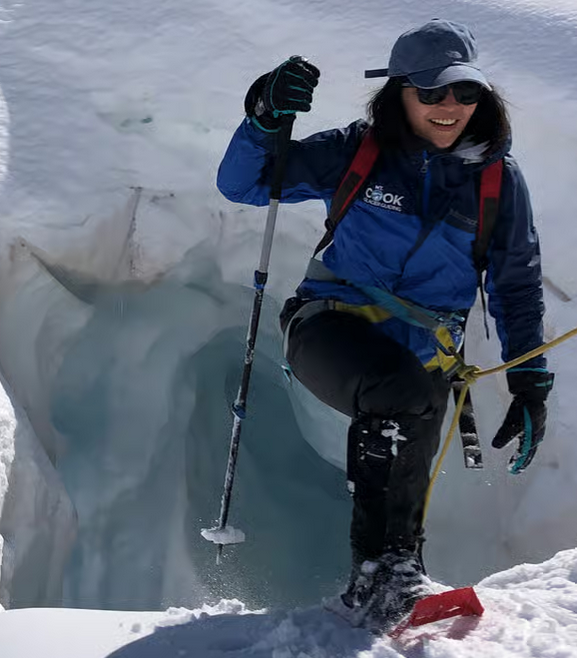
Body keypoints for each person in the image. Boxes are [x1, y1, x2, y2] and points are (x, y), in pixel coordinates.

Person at [215, 19, 553, 627]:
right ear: (398, 93)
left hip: (422, 359)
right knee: (405, 395)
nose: (449, 107)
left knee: (413, 421)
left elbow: (516, 285)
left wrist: (531, 384)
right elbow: (245, 183)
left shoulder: (498, 181)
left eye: (465, 93)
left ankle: (396, 586)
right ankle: (382, 578)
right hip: (326, 328)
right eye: (430, 93)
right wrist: (264, 116)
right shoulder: (358, 151)